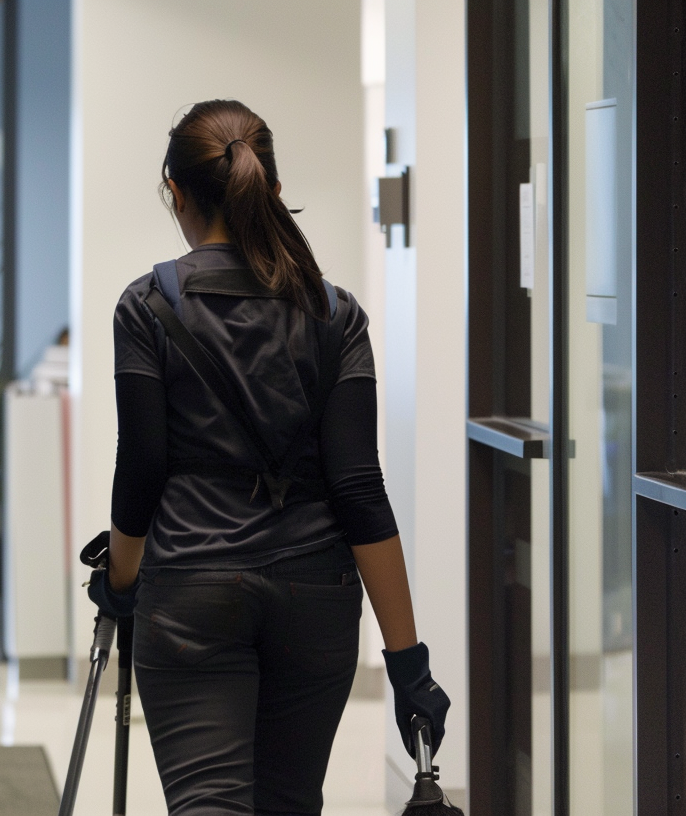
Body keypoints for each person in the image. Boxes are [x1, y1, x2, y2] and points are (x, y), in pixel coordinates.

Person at [86, 99, 450, 816]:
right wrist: (408, 661)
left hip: (191, 591)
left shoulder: (148, 307)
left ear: (176, 193)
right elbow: (359, 489)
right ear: (274, 193)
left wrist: (121, 580)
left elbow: (143, 469)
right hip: (315, 597)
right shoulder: (335, 314)